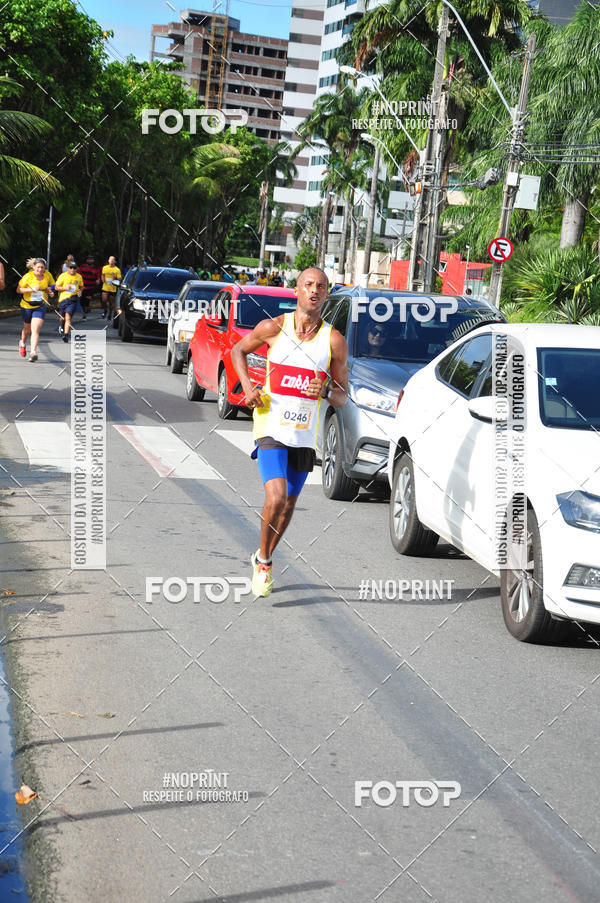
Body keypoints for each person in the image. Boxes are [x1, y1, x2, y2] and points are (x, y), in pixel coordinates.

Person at [232, 266, 348, 597]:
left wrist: (325, 391)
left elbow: (343, 395)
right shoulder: (273, 328)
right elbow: (238, 350)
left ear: (326, 295)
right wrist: (248, 387)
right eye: (308, 284)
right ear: (296, 291)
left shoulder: (334, 341)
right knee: (276, 496)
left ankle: (263, 554)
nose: (314, 290)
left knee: (288, 505)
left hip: (303, 434)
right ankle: (264, 563)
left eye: (321, 286)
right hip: (270, 425)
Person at [16, 257, 55, 361]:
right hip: (27, 306)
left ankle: (33, 352)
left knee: (35, 329)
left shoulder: (47, 275)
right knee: (27, 329)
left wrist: (50, 290)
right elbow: (18, 290)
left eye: (42, 267)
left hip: (40, 306)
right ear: (33, 267)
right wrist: (31, 289)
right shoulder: (28, 276)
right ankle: (22, 343)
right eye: (38, 267)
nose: (40, 269)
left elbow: (53, 286)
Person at [54, 261, 83, 342]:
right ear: (67, 268)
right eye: (71, 268)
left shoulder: (79, 276)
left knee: (68, 318)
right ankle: (62, 324)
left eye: (74, 268)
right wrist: (65, 288)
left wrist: (80, 291)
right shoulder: (63, 276)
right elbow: (56, 287)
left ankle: (66, 335)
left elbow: (81, 286)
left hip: (73, 300)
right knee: (62, 318)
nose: (73, 269)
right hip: (63, 299)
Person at [79, 254, 102, 319]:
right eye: (89, 259)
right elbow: (78, 275)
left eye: (91, 259)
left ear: (93, 260)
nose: (90, 260)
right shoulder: (82, 266)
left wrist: (98, 280)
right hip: (82, 287)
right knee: (82, 301)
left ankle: (85, 314)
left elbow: (98, 276)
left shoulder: (95, 268)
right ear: (86, 260)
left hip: (90, 287)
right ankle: (85, 310)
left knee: (87, 301)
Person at [101, 255, 122, 319]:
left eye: (113, 260)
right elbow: (103, 274)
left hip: (113, 288)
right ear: (108, 261)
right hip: (105, 287)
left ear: (115, 261)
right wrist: (102, 279)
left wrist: (115, 277)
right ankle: (105, 310)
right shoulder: (105, 267)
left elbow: (120, 279)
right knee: (104, 300)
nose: (111, 261)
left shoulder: (117, 269)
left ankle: (110, 314)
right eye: (110, 259)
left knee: (111, 303)